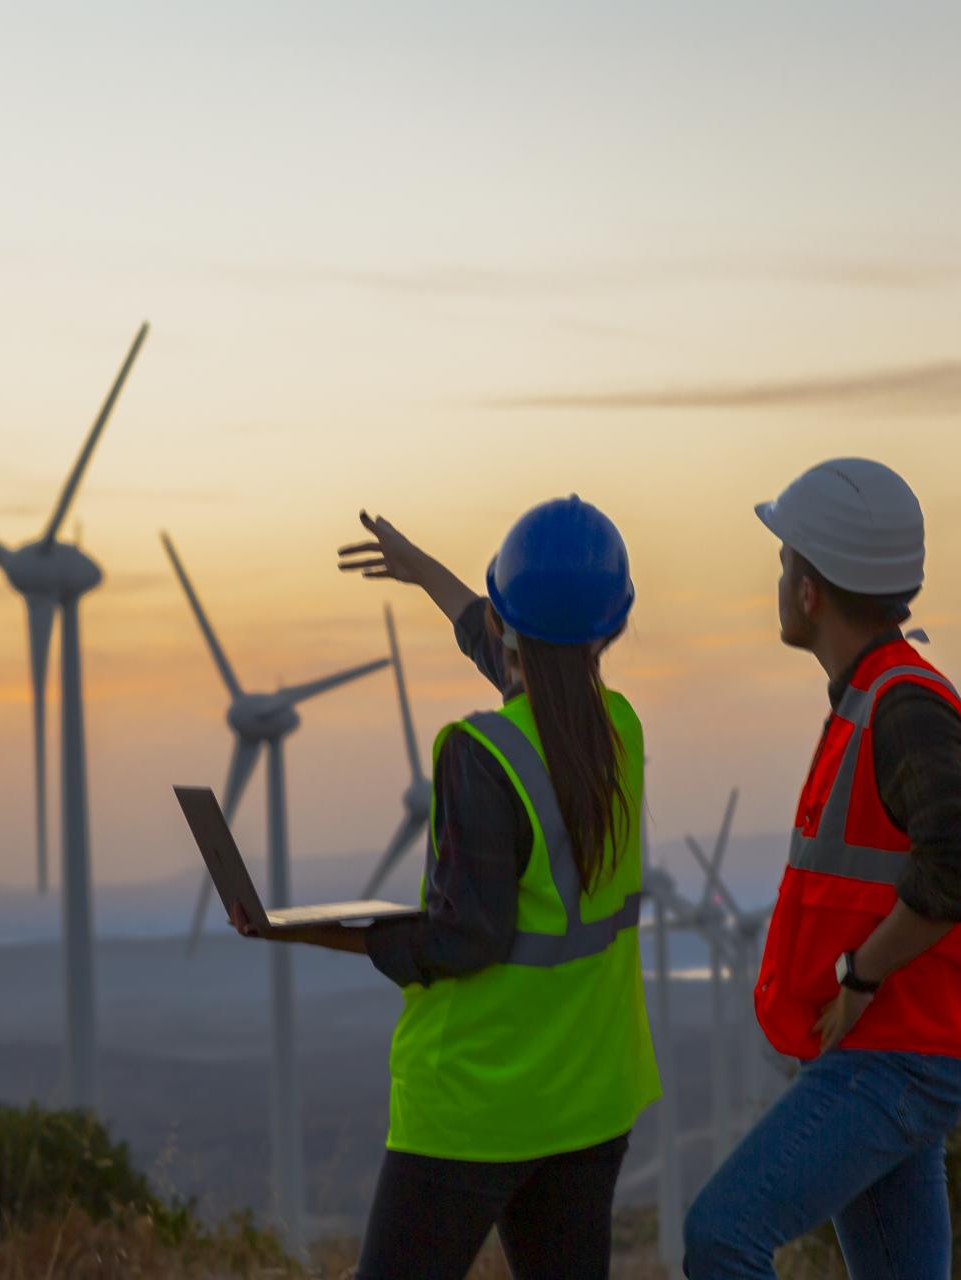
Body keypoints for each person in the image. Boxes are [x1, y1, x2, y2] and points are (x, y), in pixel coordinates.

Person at [228, 497, 660, 1280]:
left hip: (475, 1103)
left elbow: (466, 938)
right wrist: (424, 571)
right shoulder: (619, 730)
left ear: (506, 623)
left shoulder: (481, 753)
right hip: (592, 1098)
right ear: (612, 627)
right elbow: (521, 653)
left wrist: (322, 929)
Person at [682, 459, 961, 1280]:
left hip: (898, 1051)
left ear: (810, 591)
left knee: (722, 1236)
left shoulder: (902, 704)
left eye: (785, 558)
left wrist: (861, 974)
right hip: (895, 1046)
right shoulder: (877, 694)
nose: (779, 573)